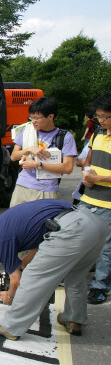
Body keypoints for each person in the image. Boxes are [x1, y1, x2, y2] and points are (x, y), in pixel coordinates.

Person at [0, 199, 107, 340]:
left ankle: (11, 326)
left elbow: (17, 281)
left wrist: (10, 296)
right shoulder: (2, 226)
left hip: (72, 229)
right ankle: (74, 319)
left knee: (31, 278)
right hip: (94, 223)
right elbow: (39, 242)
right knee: (76, 277)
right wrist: (24, 262)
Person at [9, 97, 77, 207]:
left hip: (47, 190)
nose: (33, 121)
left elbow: (68, 168)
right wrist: (29, 149)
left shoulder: (65, 137)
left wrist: (38, 165)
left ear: (51, 116)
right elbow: (13, 156)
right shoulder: (27, 131)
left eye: (37, 118)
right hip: (22, 186)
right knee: (16, 222)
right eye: (31, 117)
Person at [81, 93, 111, 305]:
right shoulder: (97, 133)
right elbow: (87, 160)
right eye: (99, 116)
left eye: (106, 116)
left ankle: (100, 285)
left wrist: (98, 178)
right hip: (88, 197)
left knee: (106, 247)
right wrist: (86, 173)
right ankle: (78, 278)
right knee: (81, 240)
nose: (101, 120)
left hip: (108, 202)